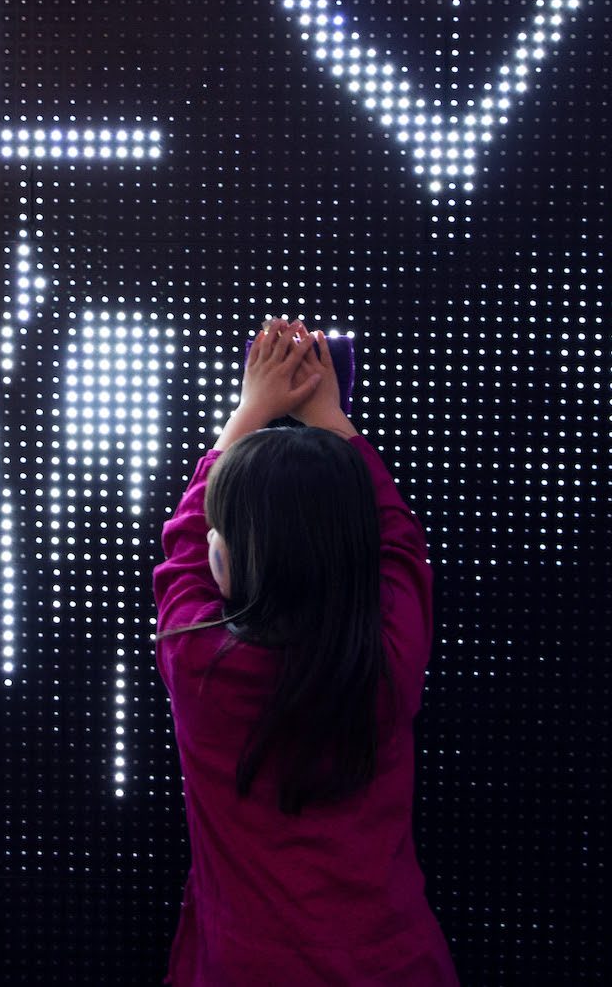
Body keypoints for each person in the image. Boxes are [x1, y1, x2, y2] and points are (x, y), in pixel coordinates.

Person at [154, 317, 459, 985]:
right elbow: (400, 544)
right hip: (392, 967)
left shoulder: (201, 666)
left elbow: (183, 547)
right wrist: (334, 421)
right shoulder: (386, 661)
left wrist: (248, 414)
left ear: (223, 560)